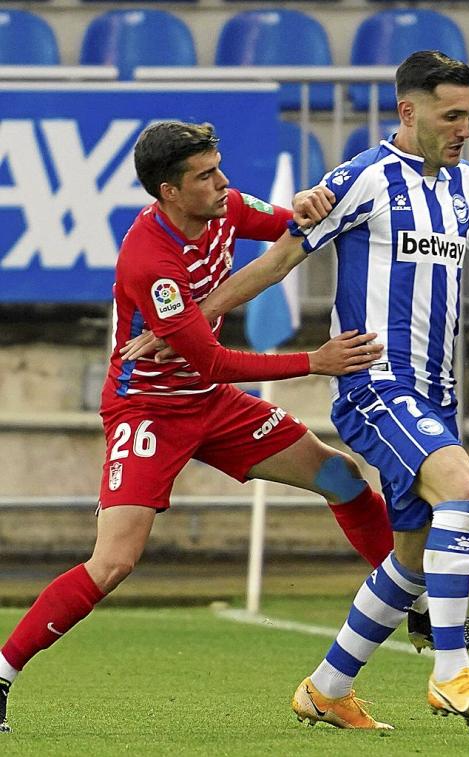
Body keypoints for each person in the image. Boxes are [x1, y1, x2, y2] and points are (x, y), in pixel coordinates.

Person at [119, 53, 469, 732]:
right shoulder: (360, 181)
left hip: (433, 393)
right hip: (373, 385)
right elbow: (278, 259)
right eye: (452, 116)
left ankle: (327, 687)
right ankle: (453, 674)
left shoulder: (467, 186)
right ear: (408, 111)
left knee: (411, 560)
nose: (464, 130)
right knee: (464, 487)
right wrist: (188, 319)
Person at [0, 120, 395, 735]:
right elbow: (209, 358)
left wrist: (310, 201)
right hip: (149, 411)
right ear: (168, 191)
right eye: (205, 176)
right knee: (113, 563)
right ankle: (2, 673)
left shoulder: (226, 206)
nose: (222, 183)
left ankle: (412, 605)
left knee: (341, 477)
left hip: (212, 404)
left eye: (218, 167)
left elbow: (290, 228)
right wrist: (314, 362)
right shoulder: (150, 261)